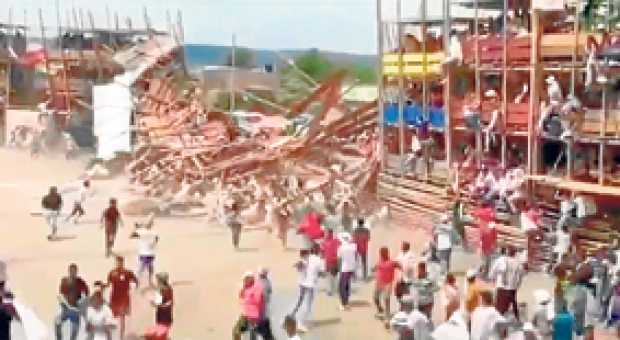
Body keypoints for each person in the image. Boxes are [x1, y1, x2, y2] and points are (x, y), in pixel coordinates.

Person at [291, 245, 324, 332]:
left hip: (302, 284)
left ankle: (290, 317)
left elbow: (298, 266)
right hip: (310, 285)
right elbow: (322, 273)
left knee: (299, 302)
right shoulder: (319, 260)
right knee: (307, 305)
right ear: (318, 251)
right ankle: (300, 323)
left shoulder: (306, 257)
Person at [233, 272, 274, 340]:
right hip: (246, 315)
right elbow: (240, 295)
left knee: (261, 335)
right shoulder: (246, 287)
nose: (244, 281)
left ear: (251, 279)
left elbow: (259, 303)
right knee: (236, 332)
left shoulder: (257, 287)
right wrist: (243, 287)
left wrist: (255, 317)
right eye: (244, 279)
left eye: (246, 279)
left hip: (255, 317)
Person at [106, 256, 138, 340]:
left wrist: (135, 288)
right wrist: (102, 286)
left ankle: (121, 337)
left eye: (120, 262)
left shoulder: (127, 272)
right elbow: (108, 284)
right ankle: (110, 336)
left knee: (122, 318)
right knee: (111, 317)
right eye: (117, 262)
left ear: (123, 263)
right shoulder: (112, 273)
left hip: (124, 298)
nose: (118, 264)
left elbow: (135, 280)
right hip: (114, 298)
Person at [55, 263, 89, 340]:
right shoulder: (64, 281)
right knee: (57, 322)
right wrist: (64, 306)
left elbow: (86, 294)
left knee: (75, 329)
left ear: (77, 272)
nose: (73, 273)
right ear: (69, 271)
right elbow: (61, 296)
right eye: (71, 271)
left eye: (74, 271)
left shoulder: (80, 282)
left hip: (76, 310)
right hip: (66, 309)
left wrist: (81, 304)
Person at [490, 246, 524, 321]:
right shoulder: (518, 263)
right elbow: (521, 276)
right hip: (512, 288)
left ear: (507, 252)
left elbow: (493, 272)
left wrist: (492, 280)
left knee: (499, 307)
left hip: (502, 287)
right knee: (512, 304)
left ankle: (497, 322)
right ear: (515, 253)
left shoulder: (501, 260)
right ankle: (516, 319)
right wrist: (517, 286)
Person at [373, 247, 401, 320]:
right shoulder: (379, 262)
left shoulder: (392, 262)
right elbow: (374, 268)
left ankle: (387, 314)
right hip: (379, 283)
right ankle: (380, 308)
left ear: (387, 253)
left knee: (386, 298)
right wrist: (373, 269)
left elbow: (400, 266)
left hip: (388, 283)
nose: (382, 254)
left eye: (384, 253)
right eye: (381, 253)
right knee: (375, 298)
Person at [130, 216, 159, 286]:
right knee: (145, 267)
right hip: (147, 253)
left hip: (146, 253)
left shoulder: (143, 232)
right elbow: (156, 239)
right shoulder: (149, 232)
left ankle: (146, 281)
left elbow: (131, 236)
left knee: (147, 267)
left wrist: (136, 228)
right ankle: (139, 281)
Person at [145, 272, 173, 340]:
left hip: (166, 317)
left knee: (160, 336)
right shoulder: (160, 290)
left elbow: (169, 303)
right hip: (159, 317)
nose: (157, 281)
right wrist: (154, 303)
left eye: (158, 280)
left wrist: (159, 305)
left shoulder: (168, 290)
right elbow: (158, 302)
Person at [337, 233, 357, 310]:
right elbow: (355, 256)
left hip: (344, 268)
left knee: (342, 287)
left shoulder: (341, 248)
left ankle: (344, 304)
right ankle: (347, 301)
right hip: (351, 268)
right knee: (347, 285)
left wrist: (339, 270)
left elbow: (339, 259)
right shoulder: (353, 246)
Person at [320, 229, 341, 296]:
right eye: (326, 233)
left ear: (331, 233)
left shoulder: (336, 241)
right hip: (328, 262)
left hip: (334, 262)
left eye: (327, 233)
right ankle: (330, 290)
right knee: (329, 276)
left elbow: (340, 249)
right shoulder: (324, 242)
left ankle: (335, 290)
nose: (326, 234)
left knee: (334, 276)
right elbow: (322, 252)